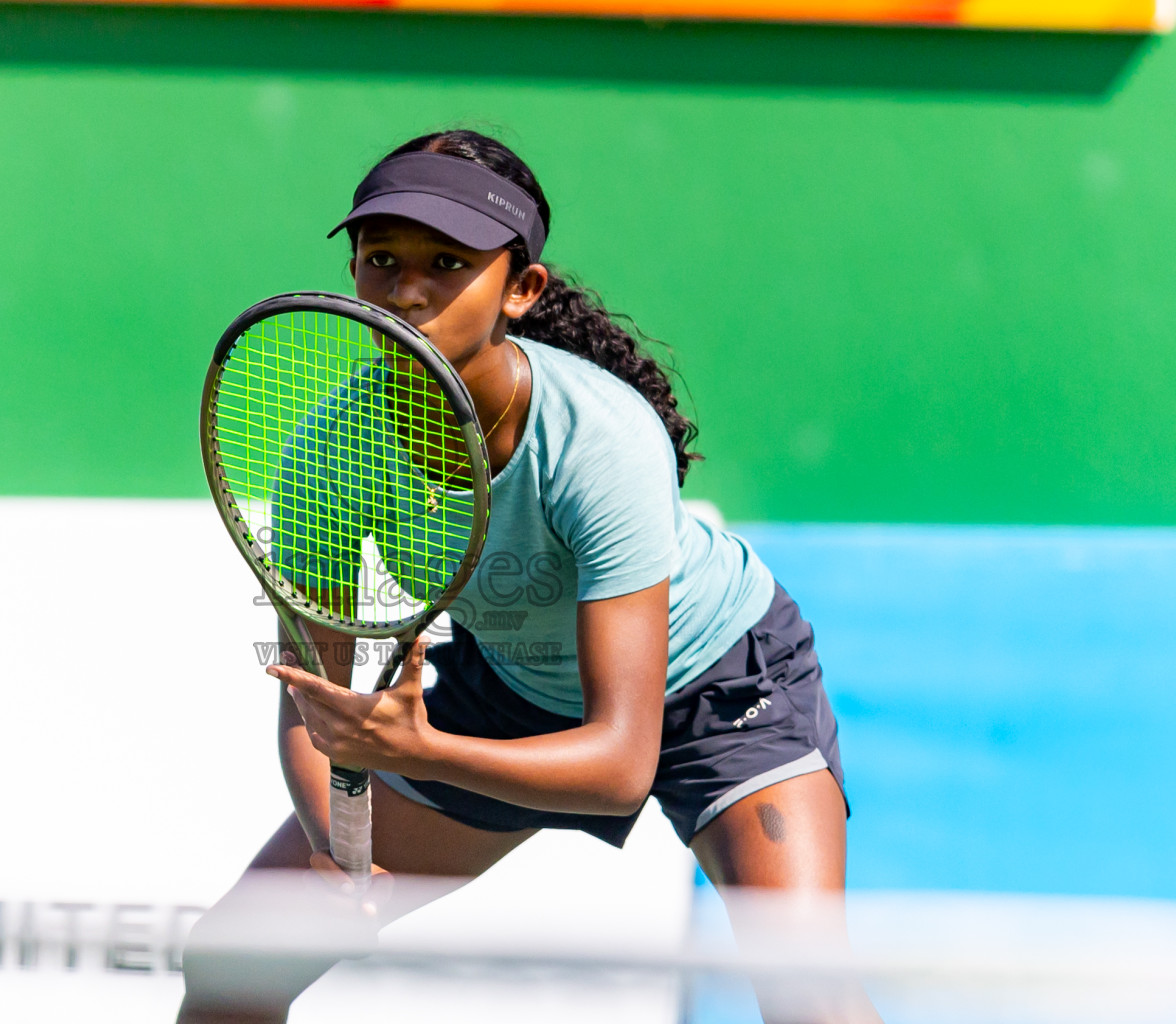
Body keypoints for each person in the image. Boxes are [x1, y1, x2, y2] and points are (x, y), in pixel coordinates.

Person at [178, 129, 880, 1024]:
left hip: (719, 688)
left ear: (521, 289)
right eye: (382, 258)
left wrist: (417, 749)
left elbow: (621, 762)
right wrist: (342, 856)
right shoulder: (330, 450)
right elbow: (315, 704)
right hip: (511, 689)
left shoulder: (601, 440)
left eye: (448, 262)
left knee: (808, 995)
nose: (409, 289)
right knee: (233, 967)